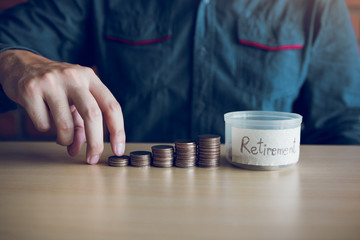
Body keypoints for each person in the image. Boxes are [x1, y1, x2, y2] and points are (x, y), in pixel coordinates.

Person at [0, 0, 359, 164]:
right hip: (126, 204)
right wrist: (15, 61)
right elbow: (8, 38)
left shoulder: (318, 5)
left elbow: (345, 126)